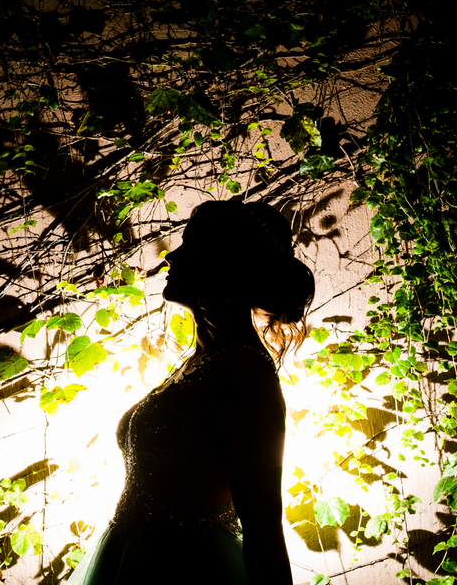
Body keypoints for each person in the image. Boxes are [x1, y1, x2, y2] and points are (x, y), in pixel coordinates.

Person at [67, 200, 315, 585]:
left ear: (223, 263)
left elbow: (263, 527)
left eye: (190, 244)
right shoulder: (201, 360)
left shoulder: (244, 372)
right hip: (129, 561)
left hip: (186, 570)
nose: (172, 256)